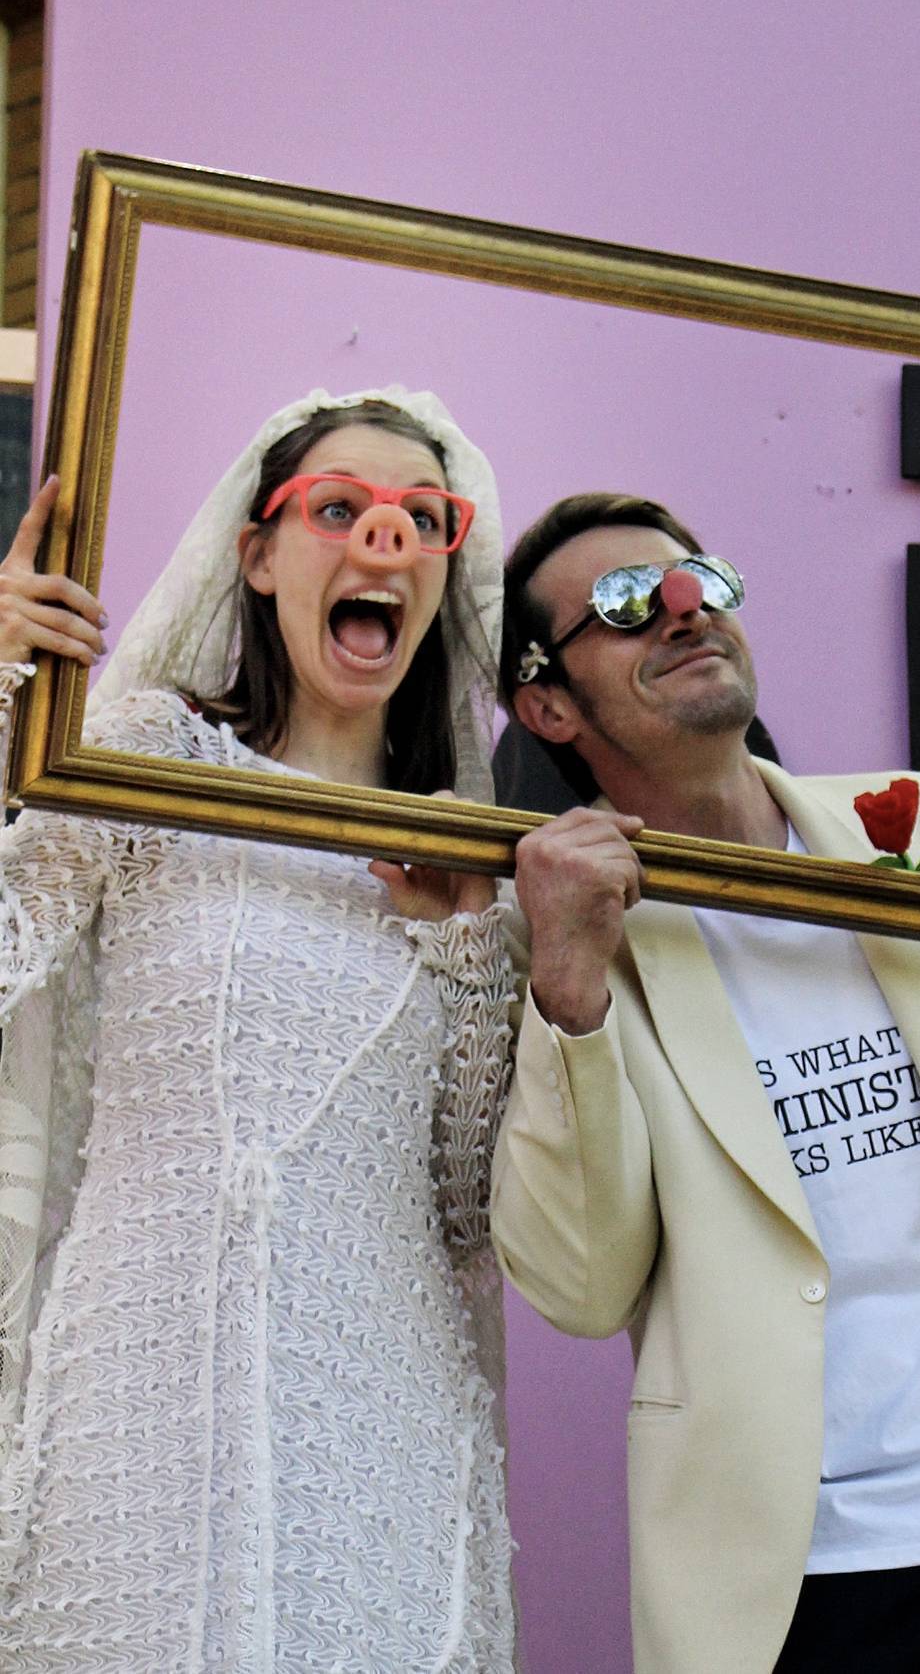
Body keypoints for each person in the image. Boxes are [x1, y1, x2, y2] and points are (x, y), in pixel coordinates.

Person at [491, 491, 920, 1674]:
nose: (682, 607)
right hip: (798, 1584)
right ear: (549, 703)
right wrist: (571, 988)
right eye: (623, 602)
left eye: (701, 578)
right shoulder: (557, 929)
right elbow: (584, 1285)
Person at [0, 387, 517, 1672]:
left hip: (376, 1404)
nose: (383, 537)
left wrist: (468, 944)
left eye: (421, 517)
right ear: (258, 552)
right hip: (137, 1377)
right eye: (337, 507)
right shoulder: (147, 758)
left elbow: (465, 1209)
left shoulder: (466, 858)